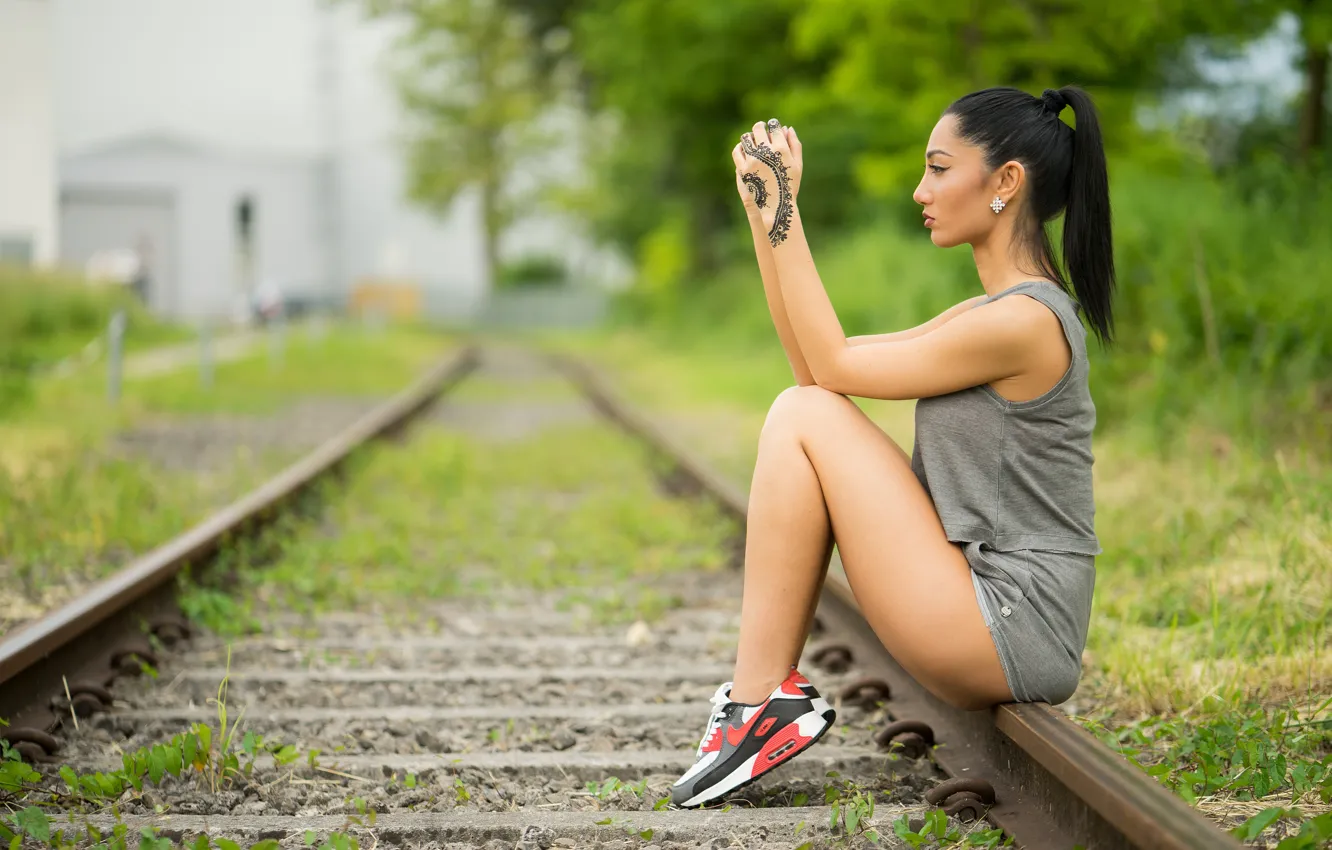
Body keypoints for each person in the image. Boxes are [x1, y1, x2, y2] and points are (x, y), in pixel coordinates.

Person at [670, 86, 1113, 809]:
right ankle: (757, 706)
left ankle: (756, 705)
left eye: (940, 169)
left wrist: (787, 210)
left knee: (802, 414)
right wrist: (766, 214)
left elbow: (833, 370)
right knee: (801, 408)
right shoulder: (995, 313)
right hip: (986, 607)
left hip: (1010, 623)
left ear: (1007, 181)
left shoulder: (1026, 323)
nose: (921, 191)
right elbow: (819, 369)